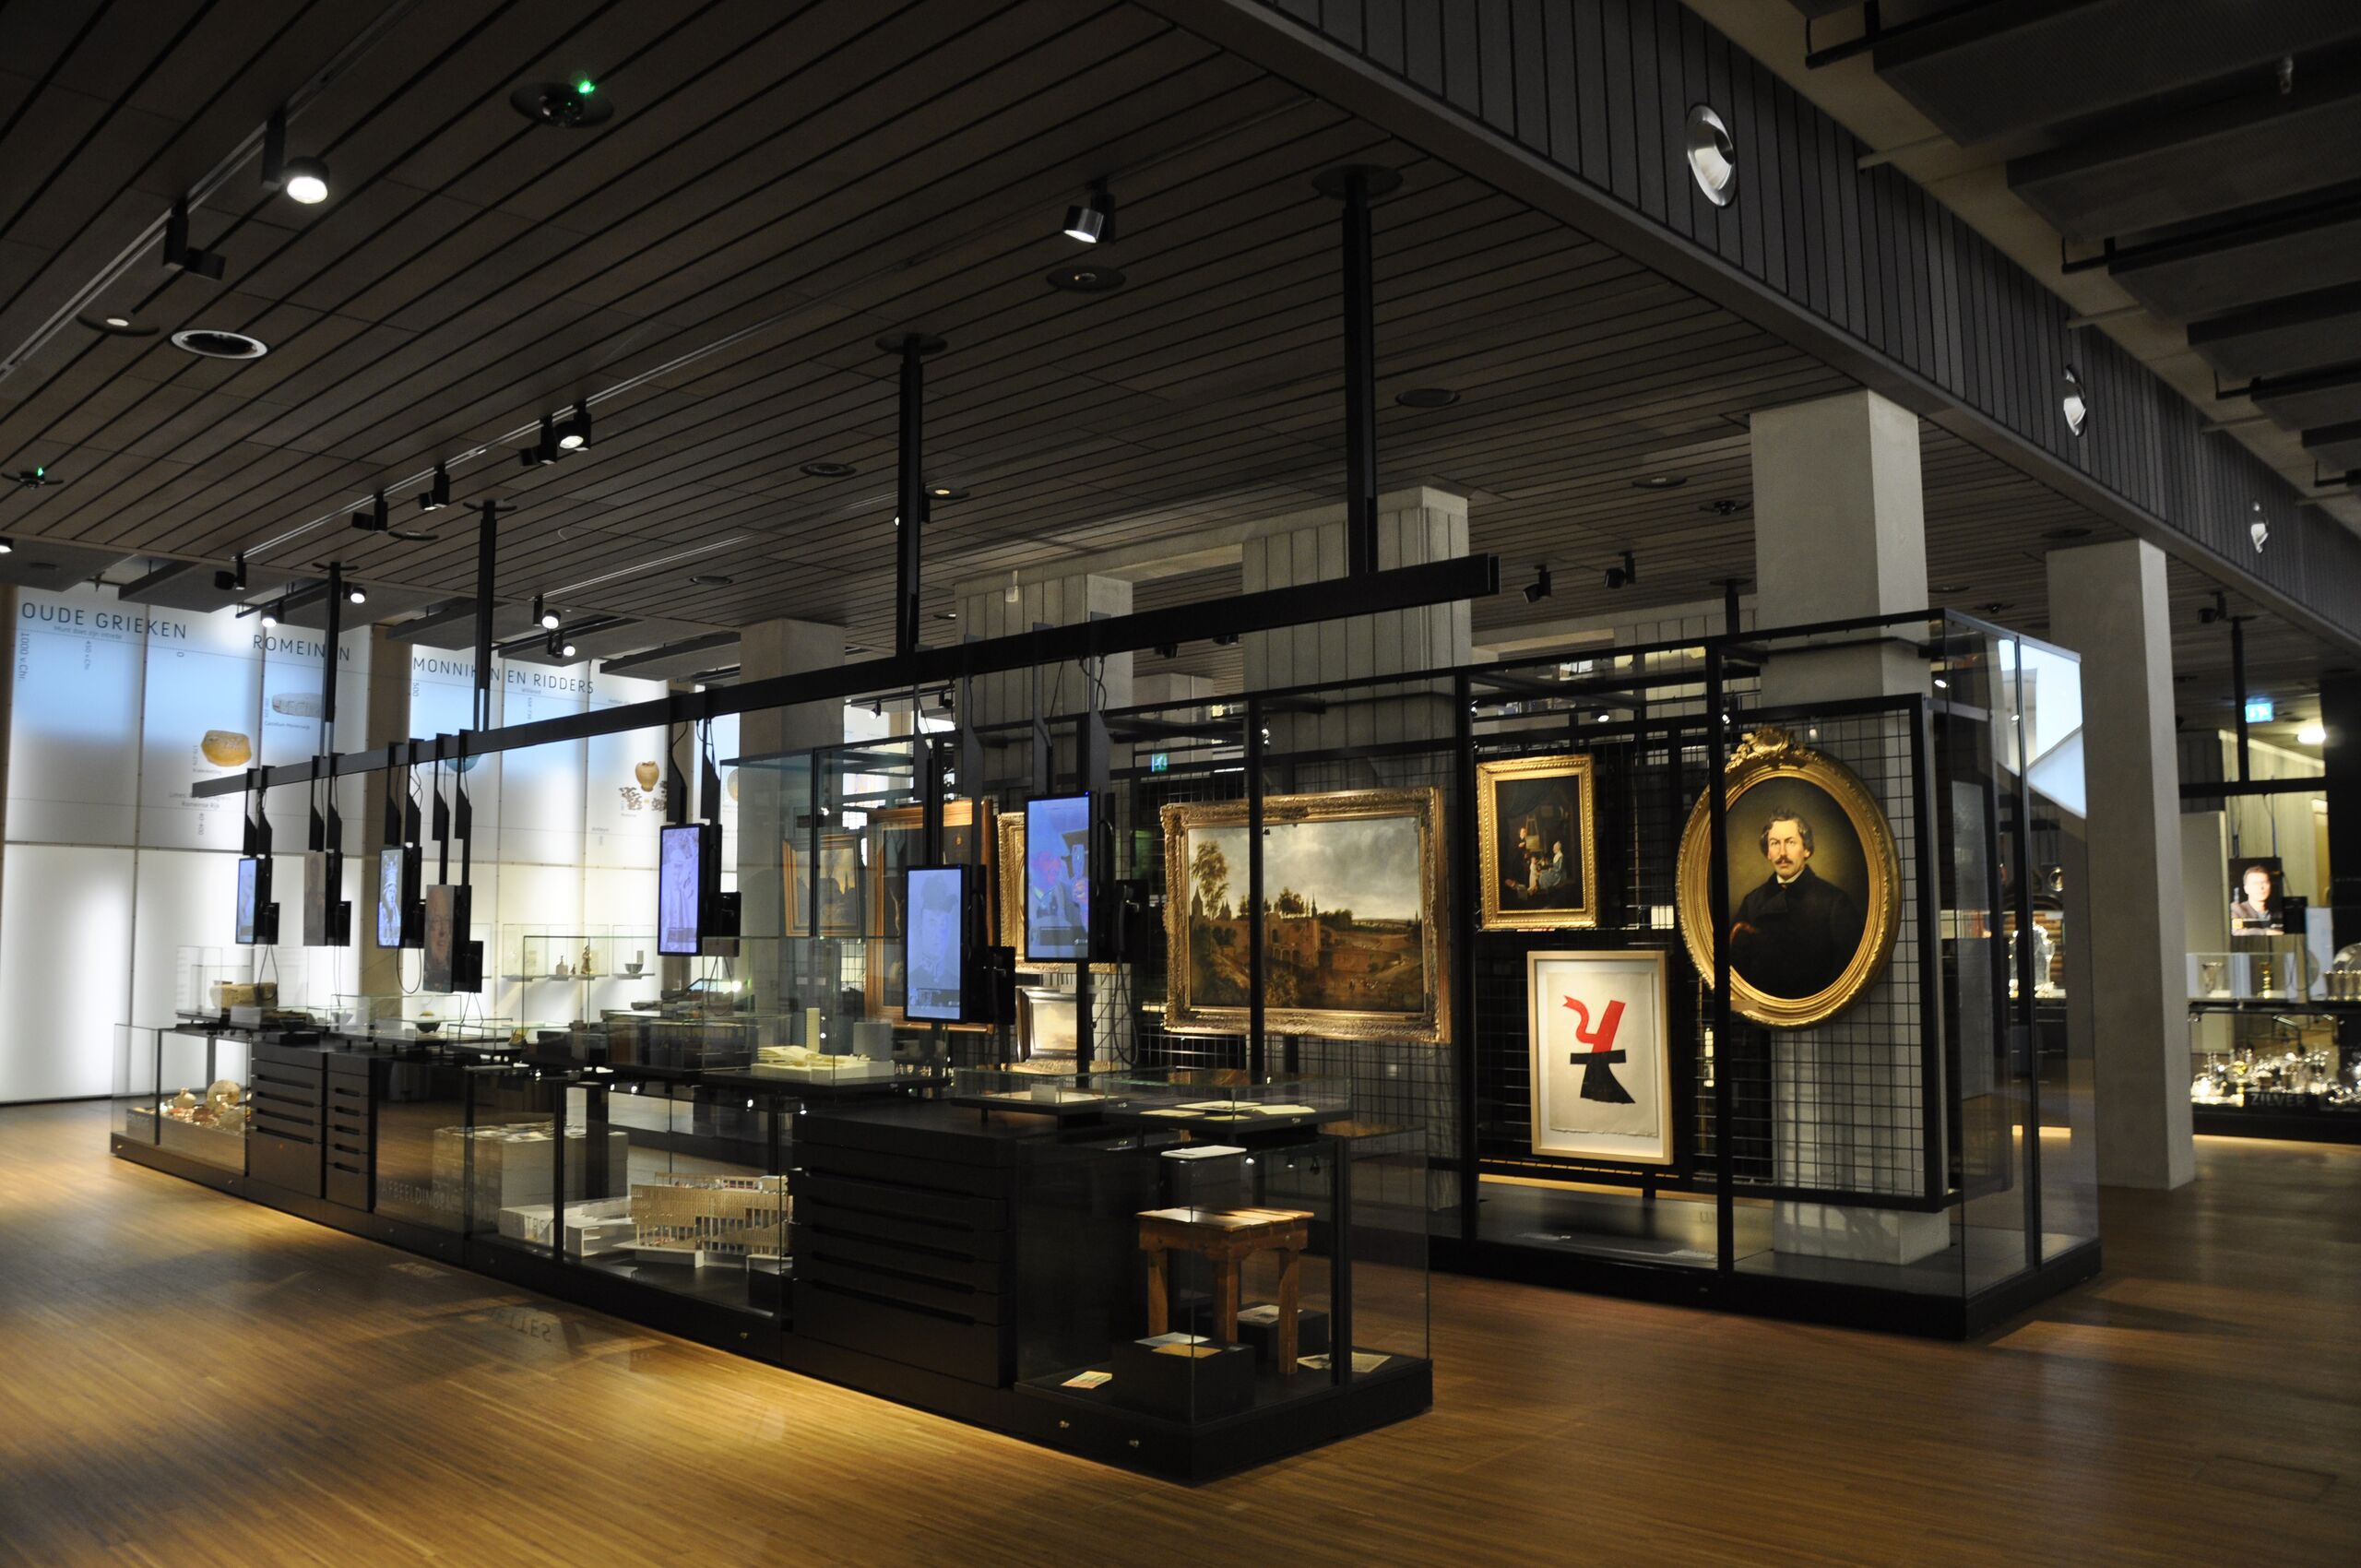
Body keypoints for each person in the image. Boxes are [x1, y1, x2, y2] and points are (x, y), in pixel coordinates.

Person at [1729, 811, 1863, 999]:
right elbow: (1737, 977)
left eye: (1790, 842)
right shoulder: (1752, 902)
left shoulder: (1835, 902)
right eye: (1775, 843)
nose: (1782, 853)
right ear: (1768, 853)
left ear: (1806, 849)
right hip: (1764, 1009)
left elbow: (1848, 974)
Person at [2230, 862, 2279, 932]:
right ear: (2246, 889)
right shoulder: (2237, 910)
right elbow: (2236, 932)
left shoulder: (2278, 912)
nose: (2261, 887)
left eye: (2265, 882)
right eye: (2255, 883)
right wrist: (2267, 932)